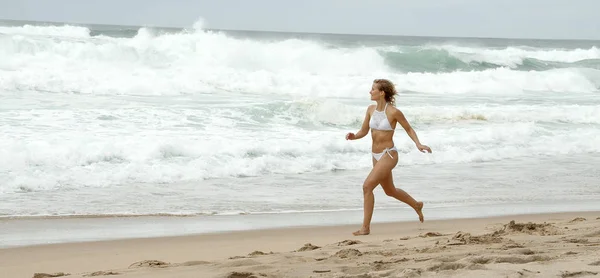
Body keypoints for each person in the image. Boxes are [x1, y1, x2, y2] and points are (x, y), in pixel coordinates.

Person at [345, 79, 432, 236]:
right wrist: (354, 136)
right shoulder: (370, 109)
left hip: (389, 154)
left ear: (382, 93)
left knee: (367, 186)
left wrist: (418, 144)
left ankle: (365, 228)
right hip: (375, 155)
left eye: (373, 89)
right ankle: (416, 205)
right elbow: (364, 131)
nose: (370, 92)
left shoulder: (393, 112)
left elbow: (409, 129)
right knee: (390, 190)